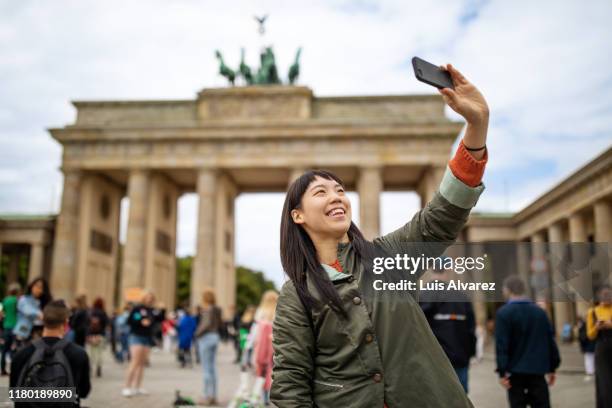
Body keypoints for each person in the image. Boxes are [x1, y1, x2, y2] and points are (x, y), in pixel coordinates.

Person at [272, 63, 489, 407]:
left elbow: (441, 217)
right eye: (320, 192)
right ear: (297, 215)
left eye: (340, 189)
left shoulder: (388, 257)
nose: (336, 196)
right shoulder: (296, 294)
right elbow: (290, 385)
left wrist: (476, 127)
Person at [10, 300, 91, 407]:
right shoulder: (79, 354)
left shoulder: (21, 354)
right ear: (66, 323)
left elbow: (14, 393)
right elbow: (84, 392)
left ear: (43, 321)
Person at [495, 275, 560, 408]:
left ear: (508, 290)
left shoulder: (503, 313)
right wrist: (553, 367)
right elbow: (549, 341)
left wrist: (502, 372)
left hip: (515, 373)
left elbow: (502, 345)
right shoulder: (540, 313)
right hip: (538, 373)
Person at [419, 261, 477, 393]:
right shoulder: (461, 296)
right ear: (448, 270)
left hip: (434, 360)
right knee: (460, 397)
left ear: (431, 270)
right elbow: (471, 329)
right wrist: (470, 353)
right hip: (460, 358)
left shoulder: (422, 295)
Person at [122, 291, 157, 397]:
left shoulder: (151, 310)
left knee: (142, 363)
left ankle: (137, 387)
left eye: (151, 298)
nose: (150, 299)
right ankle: (127, 387)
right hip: (136, 336)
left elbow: (155, 321)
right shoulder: (138, 308)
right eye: (148, 297)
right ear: (143, 298)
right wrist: (141, 321)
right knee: (135, 362)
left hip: (147, 338)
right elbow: (131, 320)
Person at [195, 288, 222, 406]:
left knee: (206, 368)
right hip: (215, 337)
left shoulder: (207, 309)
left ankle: (206, 396)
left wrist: (197, 334)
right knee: (212, 368)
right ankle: (214, 395)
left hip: (206, 338)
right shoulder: (217, 309)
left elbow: (205, 324)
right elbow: (220, 324)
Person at [250, 290, 278, 405]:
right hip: (273, 344)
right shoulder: (279, 311)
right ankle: (272, 393)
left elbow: (255, 330)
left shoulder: (260, 312)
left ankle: (264, 395)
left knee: (261, 369)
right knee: (273, 369)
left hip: (261, 344)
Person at [586, 285, 612, 407]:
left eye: (609, 294)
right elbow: (590, 335)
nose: (607, 296)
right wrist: (597, 327)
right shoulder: (592, 312)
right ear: (599, 296)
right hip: (602, 349)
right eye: (604, 294)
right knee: (604, 382)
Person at [14, 278, 52, 346]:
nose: (37, 289)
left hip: (39, 332)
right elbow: (27, 310)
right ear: (32, 286)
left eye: (41, 287)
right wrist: (40, 314)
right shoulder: (24, 299)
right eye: (36, 285)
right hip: (24, 331)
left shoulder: (44, 302)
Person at [1, 282, 21, 375]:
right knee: (14, 349)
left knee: (4, 350)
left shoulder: (5, 300)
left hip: (6, 326)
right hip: (15, 327)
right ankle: (14, 370)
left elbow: (1, 314)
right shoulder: (17, 300)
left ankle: (2, 369)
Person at [87, 297, 109, 378]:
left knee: (91, 352)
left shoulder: (91, 312)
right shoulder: (103, 312)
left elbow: (87, 324)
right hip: (100, 335)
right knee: (99, 353)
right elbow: (107, 324)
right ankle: (98, 367)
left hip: (91, 334)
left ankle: (90, 367)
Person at [576, 316, 595, 381]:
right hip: (590, 345)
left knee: (589, 359)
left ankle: (590, 373)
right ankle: (591, 372)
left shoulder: (584, 325)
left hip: (589, 345)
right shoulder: (589, 324)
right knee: (590, 359)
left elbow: (582, 337)